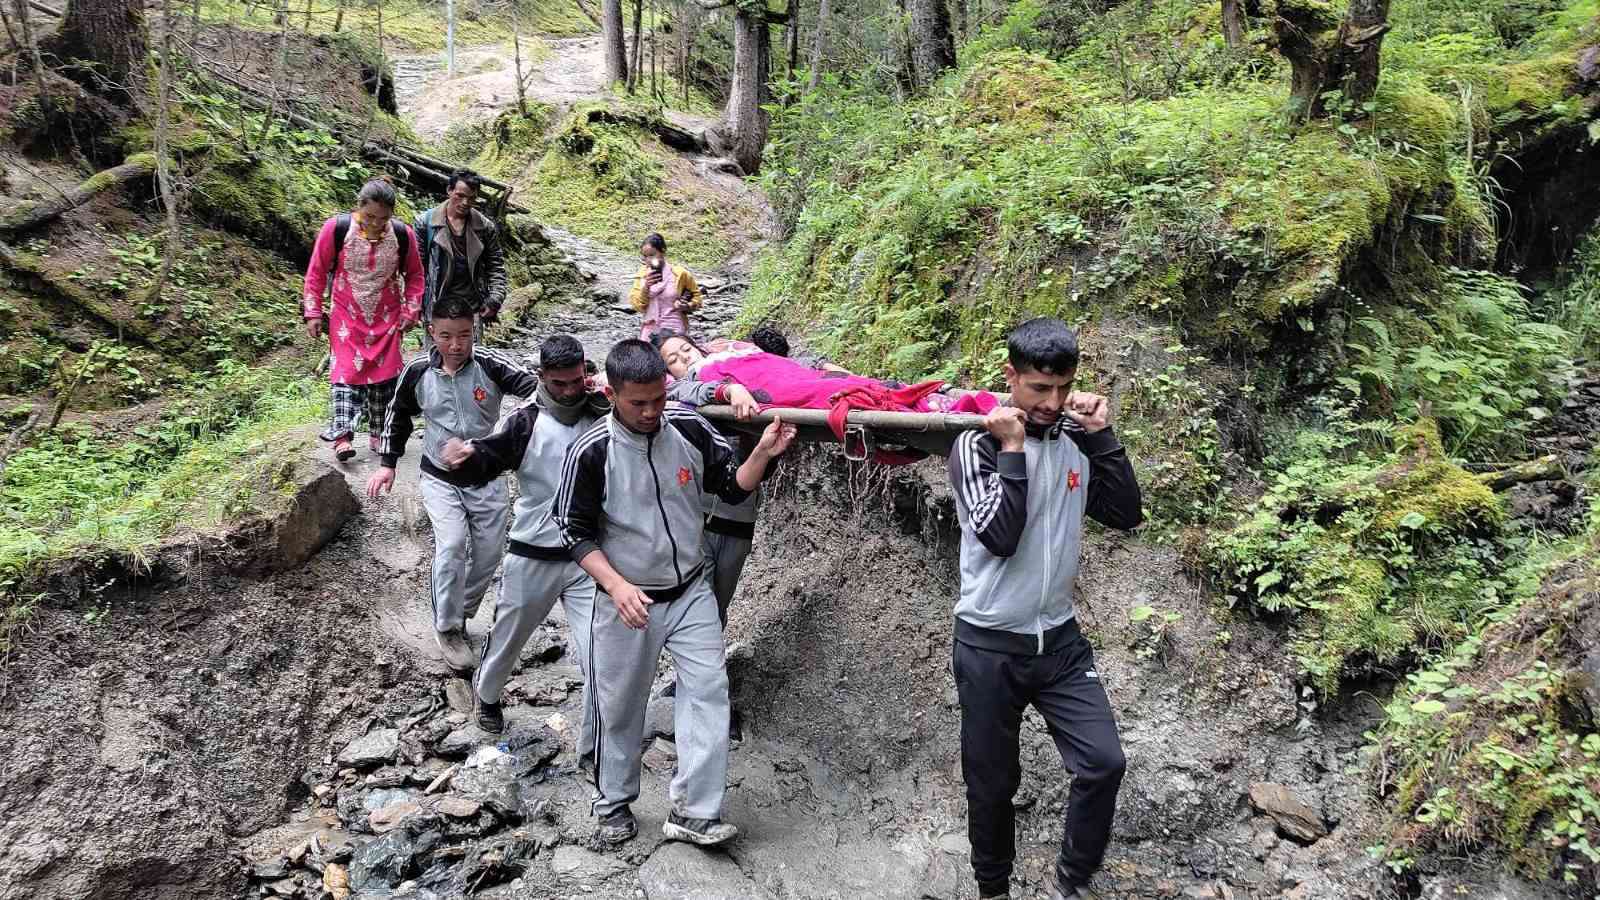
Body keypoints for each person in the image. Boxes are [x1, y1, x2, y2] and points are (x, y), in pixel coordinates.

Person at [555, 340, 795, 848]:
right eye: (638, 403)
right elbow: (573, 531)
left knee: (708, 691)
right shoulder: (591, 450)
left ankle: (694, 811)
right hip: (625, 601)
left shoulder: (687, 426)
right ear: (612, 395)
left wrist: (761, 453)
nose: (650, 412)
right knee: (620, 706)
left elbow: (731, 486)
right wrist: (616, 585)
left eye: (658, 399)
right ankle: (613, 800)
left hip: (691, 591)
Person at [947, 318, 1144, 900]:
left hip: (1059, 641)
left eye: (1063, 388)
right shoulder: (976, 446)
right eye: (1039, 388)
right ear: (1010, 377)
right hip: (988, 644)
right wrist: (1013, 450)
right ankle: (993, 889)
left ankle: (1071, 883)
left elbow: (1125, 514)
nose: (1052, 403)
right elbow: (1000, 537)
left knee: (1103, 762)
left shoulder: (1075, 441)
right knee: (991, 784)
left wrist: (1103, 436)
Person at [435, 334, 610, 765]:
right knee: (509, 636)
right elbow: (489, 458)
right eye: (558, 383)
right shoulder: (525, 422)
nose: (568, 391)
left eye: (575, 381)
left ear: (585, 373)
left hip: (590, 556)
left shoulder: (603, 414)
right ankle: (487, 694)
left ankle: (596, 745)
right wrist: (465, 458)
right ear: (542, 377)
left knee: (600, 652)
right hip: (534, 551)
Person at [366, 296, 538, 671]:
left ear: (474, 331)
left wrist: (499, 438)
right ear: (432, 332)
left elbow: (538, 391)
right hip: (439, 477)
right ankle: (447, 627)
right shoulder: (418, 372)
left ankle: (461, 612)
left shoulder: (490, 364)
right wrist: (388, 464)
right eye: (446, 336)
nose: (456, 345)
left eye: (464, 335)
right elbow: (398, 414)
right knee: (452, 545)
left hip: (487, 475)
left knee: (490, 555)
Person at [302, 177, 426, 462]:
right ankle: (342, 437)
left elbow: (416, 276)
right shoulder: (336, 229)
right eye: (370, 216)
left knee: (385, 380)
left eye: (383, 219)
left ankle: (379, 434)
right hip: (346, 318)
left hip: (387, 319)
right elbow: (316, 272)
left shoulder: (402, 234)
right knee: (345, 375)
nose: (375, 224)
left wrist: (411, 310)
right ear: (359, 207)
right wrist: (313, 312)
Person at [414, 169, 509, 335]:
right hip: (437, 308)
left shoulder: (485, 227)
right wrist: (416, 304)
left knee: (471, 351)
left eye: (471, 198)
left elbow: (496, 267)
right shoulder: (426, 223)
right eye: (460, 196)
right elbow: (416, 269)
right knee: (437, 351)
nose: (465, 202)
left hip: (472, 309)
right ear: (449, 190)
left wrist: (495, 299)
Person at [628, 233, 701, 341]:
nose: (648, 260)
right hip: (650, 327)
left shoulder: (680, 274)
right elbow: (637, 306)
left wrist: (687, 306)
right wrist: (646, 288)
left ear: (663, 251)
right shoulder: (642, 275)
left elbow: (697, 297)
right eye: (645, 256)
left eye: (652, 255)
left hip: (675, 327)